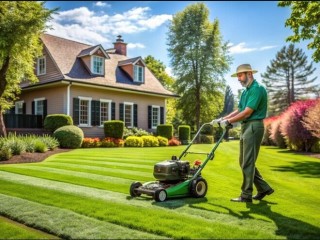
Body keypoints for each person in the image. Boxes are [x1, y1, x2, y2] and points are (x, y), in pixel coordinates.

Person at [212, 64, 274, 203]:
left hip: (254, 126)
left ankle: (246, 195)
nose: (239, 79)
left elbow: (247, 112)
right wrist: (223, 119)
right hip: (246, 127)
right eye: (238, 76)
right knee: (244, 161)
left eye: (240, 75)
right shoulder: (246, 91)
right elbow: (240, 110)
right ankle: (264, 188)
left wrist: (229, 123)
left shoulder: (257, 89)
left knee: (247, 162)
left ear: (249, 74)